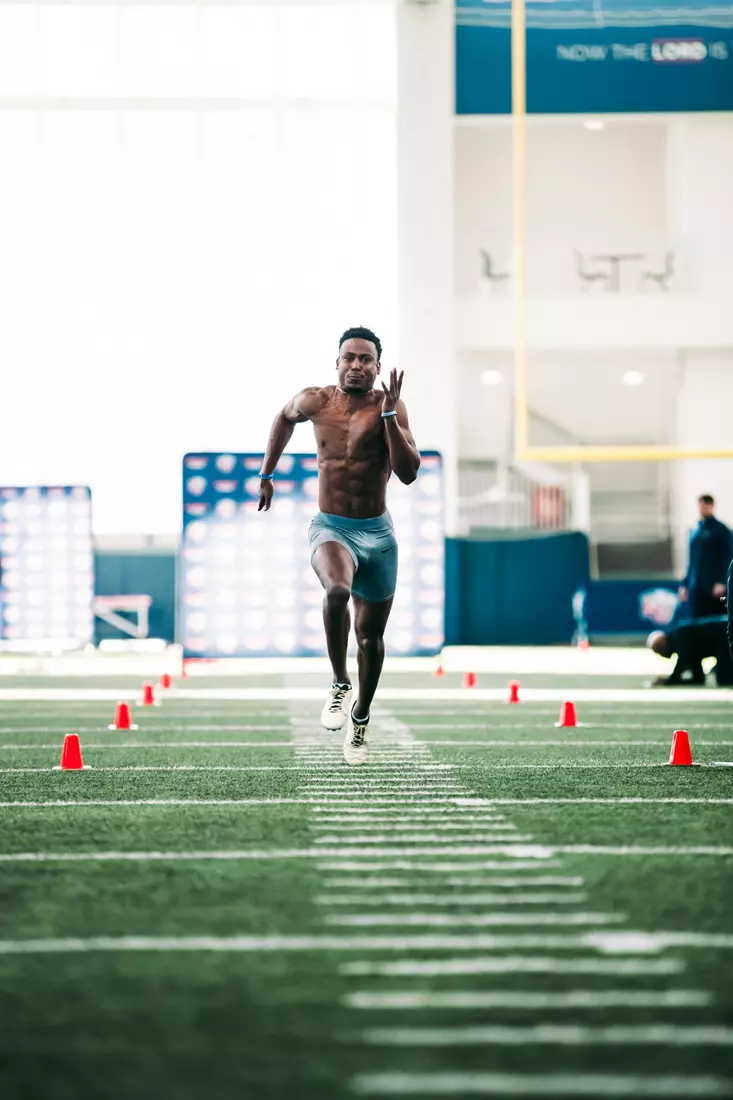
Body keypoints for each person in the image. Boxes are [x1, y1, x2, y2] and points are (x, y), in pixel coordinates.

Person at [257, 326, 420, 765]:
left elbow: (407, 472)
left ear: (377, 367)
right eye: (349, 357)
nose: (356, 365)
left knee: (371, 637)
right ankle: (339, 683)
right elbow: (282, 418)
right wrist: (267, 474)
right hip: (331, 526)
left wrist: (388, 417)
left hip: (378, 534)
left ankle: (361, 718)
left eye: (366, 359)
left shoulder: (391, 407)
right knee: (336, 591)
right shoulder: (315, 400)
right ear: (338, 362)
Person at [679, 495, 732, 619]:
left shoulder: (721, 530)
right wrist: (685, 584)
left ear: (711, 506)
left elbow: (727, 557)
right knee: (697, 621)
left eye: (705, 505)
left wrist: (721, 581)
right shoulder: (695, 531)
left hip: (713, 588)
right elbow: (691, 562)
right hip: (697, 587)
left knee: (713, 621)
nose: (703, 509)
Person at [647, 616, 733, 687]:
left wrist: (669, 681)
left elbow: (683, 660)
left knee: (724, 679)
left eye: (658, 651)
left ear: (663, 644)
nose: (661, 655)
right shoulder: (683, 638)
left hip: (725, 636)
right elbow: (698, 679)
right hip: (723, 636)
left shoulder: (679, 636)